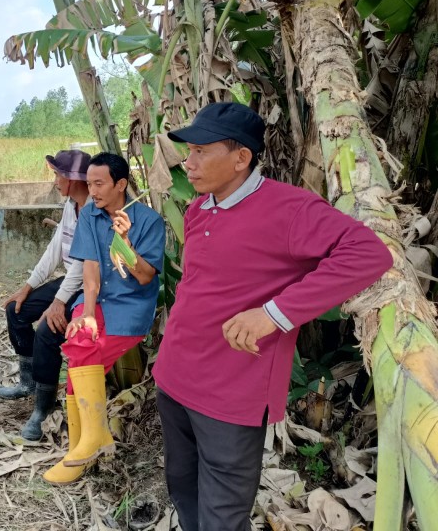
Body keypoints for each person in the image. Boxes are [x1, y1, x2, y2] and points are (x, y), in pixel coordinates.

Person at [153, 102, 393, 530]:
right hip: (174, 378)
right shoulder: (198, 209)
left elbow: (368, 253)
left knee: (222, 516)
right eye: (187, 153)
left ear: (240, 157)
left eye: (199, 152)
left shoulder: (290, 209)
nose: (187, 164)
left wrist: (275, 313)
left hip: (231, 393)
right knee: (183, 488)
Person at [43, 152, 166, 485]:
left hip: (130, 308)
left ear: (121, 184)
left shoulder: (149, 222)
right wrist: (86, 313)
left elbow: (144, 277)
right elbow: (91, 271)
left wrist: (125, 242)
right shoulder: (89, 216)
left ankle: (86, 444)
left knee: (80, 352)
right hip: (96, 300)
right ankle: (88, 442)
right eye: (89, 183)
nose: (92, 190)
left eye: (99, 183)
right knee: (80, 339)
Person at [0, 150, 91, 440]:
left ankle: (43, 408)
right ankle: (28, 381)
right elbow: (55, 250)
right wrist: (27, 288)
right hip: (70, 281)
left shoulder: (92, 210)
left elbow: (82, 267)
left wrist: (58, 302)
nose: (54, 182)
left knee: (48, 331)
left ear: (73, 179)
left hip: (88, 284)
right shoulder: (69, 205)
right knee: (16, 310)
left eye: (57, 175)